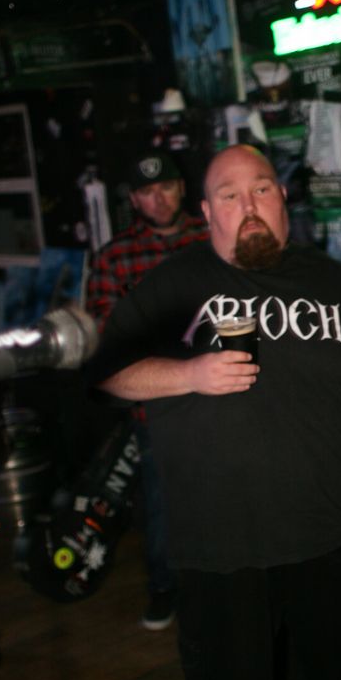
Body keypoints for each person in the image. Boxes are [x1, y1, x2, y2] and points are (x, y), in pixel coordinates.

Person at [89, 144, 341, 680]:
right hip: (221, 533)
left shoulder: (335, 283)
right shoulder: (174, 285)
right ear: (207, 211)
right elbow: (107, 371)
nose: (249, 205)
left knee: (340, 662)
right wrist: (189, 374)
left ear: (282, 200)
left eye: (262, 189)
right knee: (228, 674)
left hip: (329, 522)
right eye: (231, 194)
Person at [86, 150, 209, 630]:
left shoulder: (213, 236)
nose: (158, 199)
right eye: (146, 191)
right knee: (162, 501)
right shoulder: (114, 257)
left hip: (225, 394)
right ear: (134, 200)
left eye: (166, 187)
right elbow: (103, 339)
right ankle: (164, 587)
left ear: (182, 188)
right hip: (156, 406)